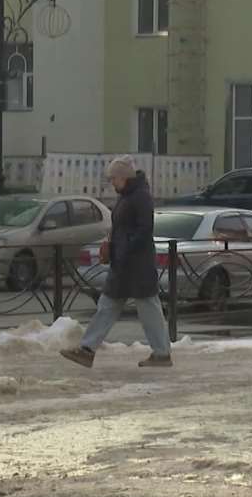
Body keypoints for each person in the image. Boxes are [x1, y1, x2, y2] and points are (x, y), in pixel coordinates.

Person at [61, 156, 174, 369]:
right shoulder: (127, 195)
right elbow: (124, 227)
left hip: (136, 263)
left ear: (123, 177)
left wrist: (124, 248)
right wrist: (113, 244)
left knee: (147, 307)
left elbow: (144, 229)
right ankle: (87, 350)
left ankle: (162, 354)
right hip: (124, 262)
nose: (111, 182)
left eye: (113, 178)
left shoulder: (140, 197)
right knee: (108, 305)